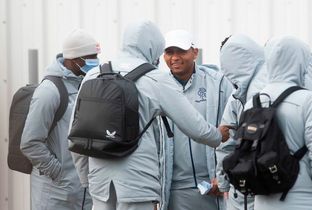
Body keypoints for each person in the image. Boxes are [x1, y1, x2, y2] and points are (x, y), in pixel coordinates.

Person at [69, 20, 229, 210]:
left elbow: (75, 135)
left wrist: (87, 179)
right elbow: (195, 127)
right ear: (153, 46)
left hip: (100, 186)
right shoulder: (154, 78)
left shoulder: (94, 75)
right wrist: (219, 136)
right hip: (138, 186)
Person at [222, 35, 312, 210]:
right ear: (300, 62)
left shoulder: (254, 101)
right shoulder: (309, 100)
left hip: (264, 197)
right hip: (304, 198)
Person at [20, 29, 99, 210]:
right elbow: (30, 143)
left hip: (82, 194)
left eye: (96, 56)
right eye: (89, 57)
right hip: (55, 194)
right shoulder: (49, 91)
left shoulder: (88, 84)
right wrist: (59, 174)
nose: (95, 62)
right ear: (72, 60)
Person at [159, 29, 233, 210]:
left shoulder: (219, 83)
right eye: (169, 52)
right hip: (174, 189)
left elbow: (232, 131)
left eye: (181, 51)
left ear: (195, 52)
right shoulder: (157, 86)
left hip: (213, 186)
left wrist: (223, 176)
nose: (174, 58)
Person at [217, 34, 266, 210]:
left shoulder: (238, 98)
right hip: (279, 182)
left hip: (245, 187)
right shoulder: (278, 86)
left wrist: (223, 182)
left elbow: (226, 143)